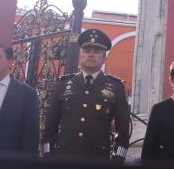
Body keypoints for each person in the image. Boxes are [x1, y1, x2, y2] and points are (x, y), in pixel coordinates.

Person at [43, 28, 130, 164]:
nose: (91, 55)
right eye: (87, 51)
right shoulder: (63, 84)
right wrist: (48, 154)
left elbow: (123, 130)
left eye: (97, 52)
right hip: (64, 159)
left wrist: (118, 159)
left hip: (98, 160)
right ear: (80, 55)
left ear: (104, 57)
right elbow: (50, 126)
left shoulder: (116, 87)